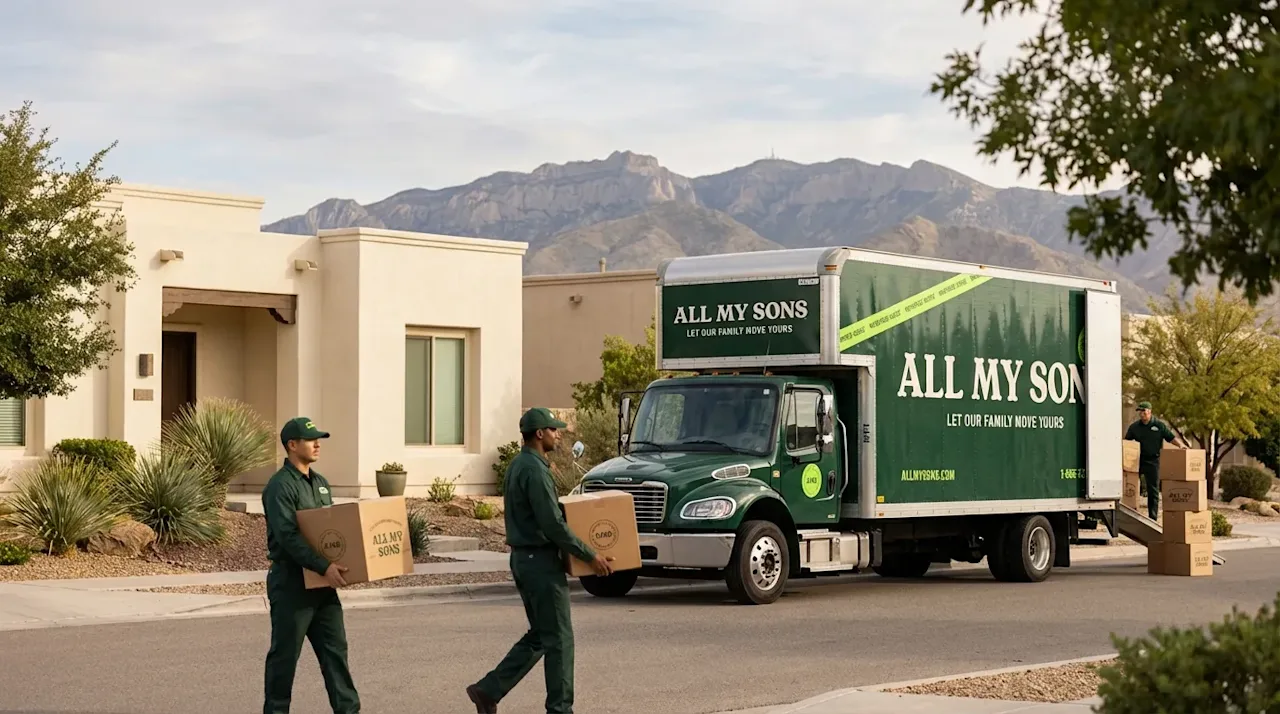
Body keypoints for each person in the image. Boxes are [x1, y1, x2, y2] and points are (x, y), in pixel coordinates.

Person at [466, 407, 613, 714]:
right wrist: (590, 555)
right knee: (559, 639)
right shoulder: (534, 470)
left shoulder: (520, 465)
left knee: (541, 635)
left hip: (524, 559)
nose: (558, 434)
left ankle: (488, 690)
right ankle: (560, 709)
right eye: (553, 430)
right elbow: (552, 524)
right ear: (539, 434)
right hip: (540, 563)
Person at [261, 417, 360, 714]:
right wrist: (323, 565)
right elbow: (289, 537)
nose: (317, 444)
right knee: (285, 657)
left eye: (319, 439)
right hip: (291, 582)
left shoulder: (320, 483)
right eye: (310, 439)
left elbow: (330, 531)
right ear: (292, 445)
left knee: (335, 652)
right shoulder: (279, 487)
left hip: (322, 583)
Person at [1124, 401, 1178, 520]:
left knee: (1153, 489)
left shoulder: (1159, 425)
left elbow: (1171, 438)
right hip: (1137, 461)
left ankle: (1152, 517)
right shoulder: (1134, 427)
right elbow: (1126, 443)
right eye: (1140, 411)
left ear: (1149, 411)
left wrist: (1181, 446)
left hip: (1153, 460)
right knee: (1131, 485)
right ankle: (1131, 512)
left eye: (1143, 411)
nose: (1141, 414)